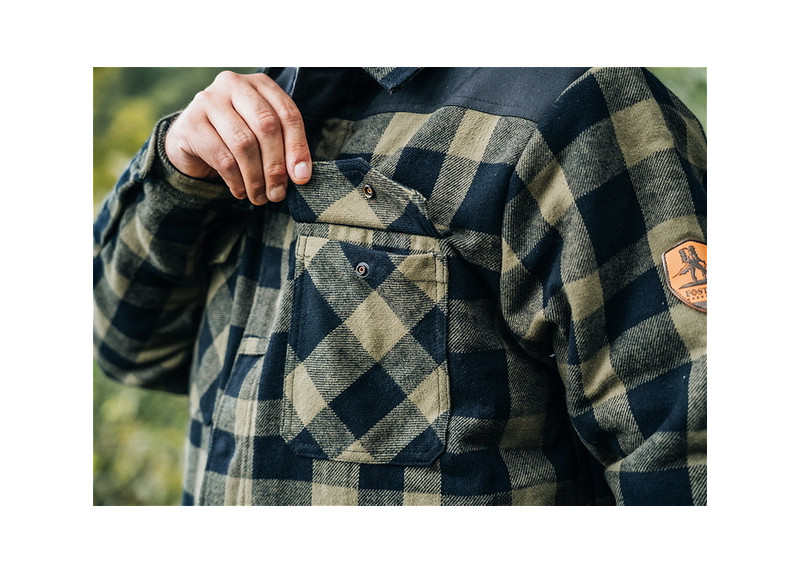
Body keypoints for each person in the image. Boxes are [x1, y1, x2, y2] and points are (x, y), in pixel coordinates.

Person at [93, 67, 707, 506]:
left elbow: (688, 453)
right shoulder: (255, 99)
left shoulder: (574, 107)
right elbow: (130, 348)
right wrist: (178, 177)